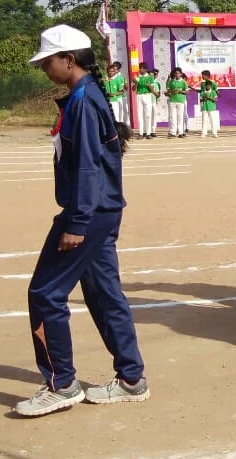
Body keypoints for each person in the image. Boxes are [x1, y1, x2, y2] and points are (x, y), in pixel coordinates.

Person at [14, 25, 148, 417]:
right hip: (100, 212)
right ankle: (131, 379)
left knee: (44, 293)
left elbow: (88, 167)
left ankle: (62, 383)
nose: (44, 68)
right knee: (104, 294)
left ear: (68, 60)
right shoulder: (82, 97)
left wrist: (75, 222)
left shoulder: (84, 102)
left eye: (47, 61)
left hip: (87, 215)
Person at [133, 66, 158, 138]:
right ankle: (141, 133)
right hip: (139, 95)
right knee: (140, 114)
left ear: (145, 69)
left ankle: (148, 133)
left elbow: (152, 88)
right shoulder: (138, 77)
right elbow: (133, 89)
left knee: (148, 115)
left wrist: (148, 83)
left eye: (141, 68)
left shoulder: (150, 77)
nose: (139, 70)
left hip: (147, 95)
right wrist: (135, 83)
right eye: (139, 68)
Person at [165, 68, 189, 138]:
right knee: (173, 117)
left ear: (181, 74)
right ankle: (173, 132)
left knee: (180, 117)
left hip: (181, 101)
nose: (177, 74)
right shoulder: (171, 81)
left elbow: (187, 91)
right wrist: (173, 91)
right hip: (172, 101)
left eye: (178, 73)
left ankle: (181, 132)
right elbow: (168, 91)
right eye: (176, 73)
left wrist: (180, 91)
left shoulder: (183, 82)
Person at [199, 70, 220, 138]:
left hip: (211, 106)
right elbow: (201, 93)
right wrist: (204, 97)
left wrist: (211, 97)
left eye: (203, 75)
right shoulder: (202, 83)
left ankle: (214, 132)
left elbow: (216, 93)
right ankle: (204, 132)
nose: (202, 76)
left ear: (206, 75)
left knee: (213, 120)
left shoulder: (213, 83)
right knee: (204, 120)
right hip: (204, 106)